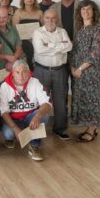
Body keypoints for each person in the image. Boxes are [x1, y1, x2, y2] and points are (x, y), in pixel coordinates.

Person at [0, 60, 52, 161]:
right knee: (8, 133)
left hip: (31, 118)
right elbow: (3, 112)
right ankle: (11, 138)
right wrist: (15, 128)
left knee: (44, 116)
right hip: (14, 119)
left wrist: (37, 116)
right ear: (12, 73)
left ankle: (34, 145)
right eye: (17, 72)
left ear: (28, 72)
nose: (21, 75)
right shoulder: (4, 86)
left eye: (24, 72)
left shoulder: (35, 82)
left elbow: (47, 103)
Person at [32, 9, 72, 140]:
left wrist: (48, 45)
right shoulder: (37, 32)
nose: (50, 20)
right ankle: (37, 130)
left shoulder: (63, 32)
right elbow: (39, 50)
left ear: (57, 19)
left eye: (53, 18)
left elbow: (69, 46)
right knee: (39, 100)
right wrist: (59, 46)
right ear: (43, 19)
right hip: (41, 71)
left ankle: (59, 129)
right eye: (48, 18)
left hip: (60, 71)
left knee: (60, 102)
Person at [69, 0, 100, 142]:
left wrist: (80, 69)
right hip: (77, 73)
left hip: (90, 72)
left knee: (92, 100)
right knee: (82, 99)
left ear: (94, 12)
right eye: (83, 10)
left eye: (89, 9)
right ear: (79, 13)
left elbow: (95, 53)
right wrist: (72, 67)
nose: (86, 12)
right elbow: (73, 51)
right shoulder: (79, 30)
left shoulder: (97, 29)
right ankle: (92, 127)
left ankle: (91, 130)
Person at [0, 7, 23, 89]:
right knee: (1, 94)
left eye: (4, 17)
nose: (1, 20)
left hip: (13, 68)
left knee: (14, 94)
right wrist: (6, 57)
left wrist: (13, 60)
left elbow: (19, 47)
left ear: (8, 18)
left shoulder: (13, 30)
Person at [12, 0, 44, 69]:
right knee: (25, 67)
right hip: (23, 44)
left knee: (37, 66)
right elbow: (14, 30)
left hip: (36, 43)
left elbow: (44, 29)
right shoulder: (18, 12)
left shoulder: (40, 12)